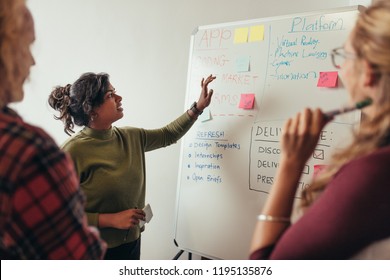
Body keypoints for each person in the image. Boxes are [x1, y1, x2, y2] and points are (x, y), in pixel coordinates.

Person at [250, 0, 390, 260]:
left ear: (368, 73)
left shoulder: (372, 173)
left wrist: (291, 162)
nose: (341, 69)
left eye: (344, 56)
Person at [48, 72, 215, 260]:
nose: (119, 98)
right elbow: (55, 214)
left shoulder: (131, 136)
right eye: (110, 96)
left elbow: (168, 134)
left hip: (132, 244)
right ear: (91, 110)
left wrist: (198, 108)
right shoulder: (73, 151)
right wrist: (110, 220)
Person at [0, 0, 106, 259]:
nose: (33, 61)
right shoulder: (30, 152)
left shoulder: (130, 136)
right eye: (27, 46)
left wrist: (195, 109)